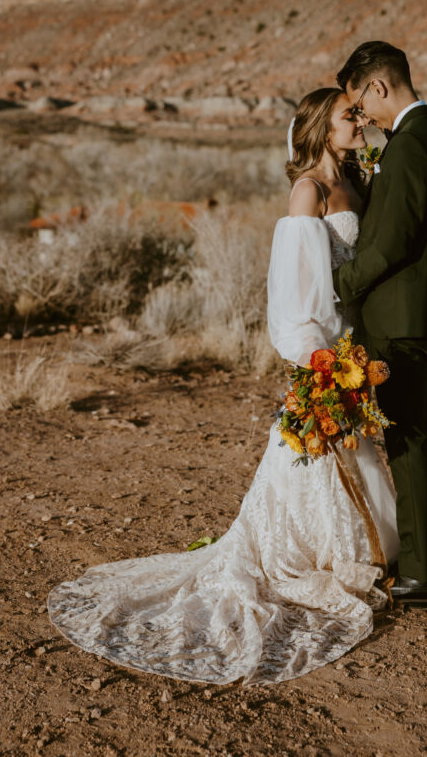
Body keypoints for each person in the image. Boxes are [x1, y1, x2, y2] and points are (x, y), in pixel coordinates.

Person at [47, 86, 399, 686]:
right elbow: (296, 291)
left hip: (356, 340)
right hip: (325, 346)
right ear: (319, 126)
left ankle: (362, 547)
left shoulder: (355, 181)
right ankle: (316, 555)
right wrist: (315, 358)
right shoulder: (308, 192)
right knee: (315, 449)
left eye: (360, 112)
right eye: (349, 115)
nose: (360, 121)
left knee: (346, 451)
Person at [333, 41, 427, 604]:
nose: (363, 117)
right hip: (416, 312)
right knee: (411, 435)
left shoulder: (411, 146)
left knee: (408, 438)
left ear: (379, 88)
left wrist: (337, 287)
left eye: (361, 104)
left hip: (403, 317)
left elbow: (391, 243)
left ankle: (420, 575)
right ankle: (420, 563)